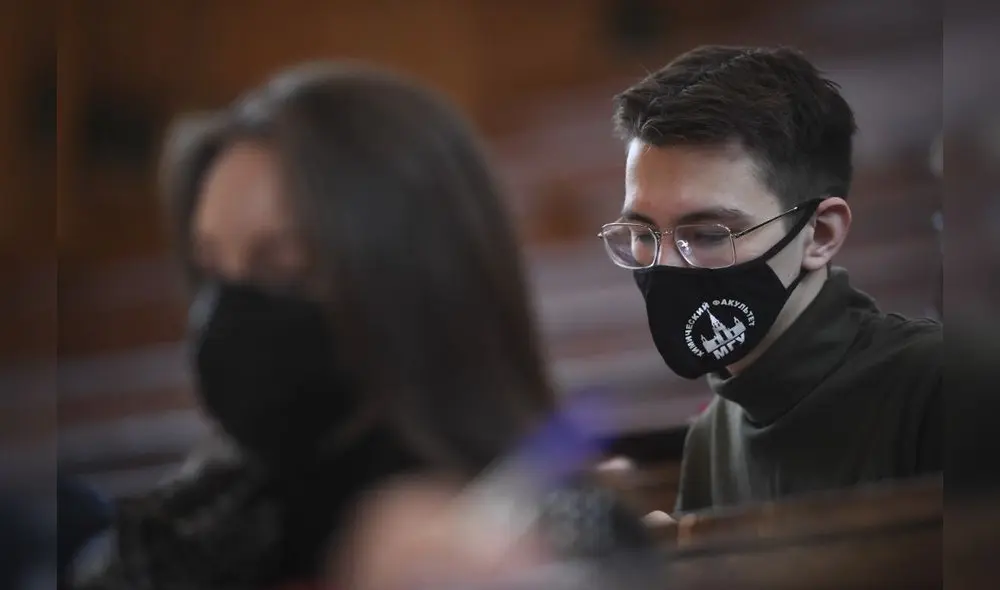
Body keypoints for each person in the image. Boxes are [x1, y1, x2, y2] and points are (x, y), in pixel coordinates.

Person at [73, 62, 558, 590]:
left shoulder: (543, 539)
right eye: (212, 274)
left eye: (284, 269)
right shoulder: (169, 544)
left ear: (423, 277)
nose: (229, 318)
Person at [597, 45, 942, 513]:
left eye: (707, 234)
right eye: (642, 233)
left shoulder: (938, 389)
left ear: (818, 234)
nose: (666, 265)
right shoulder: (710, 441)